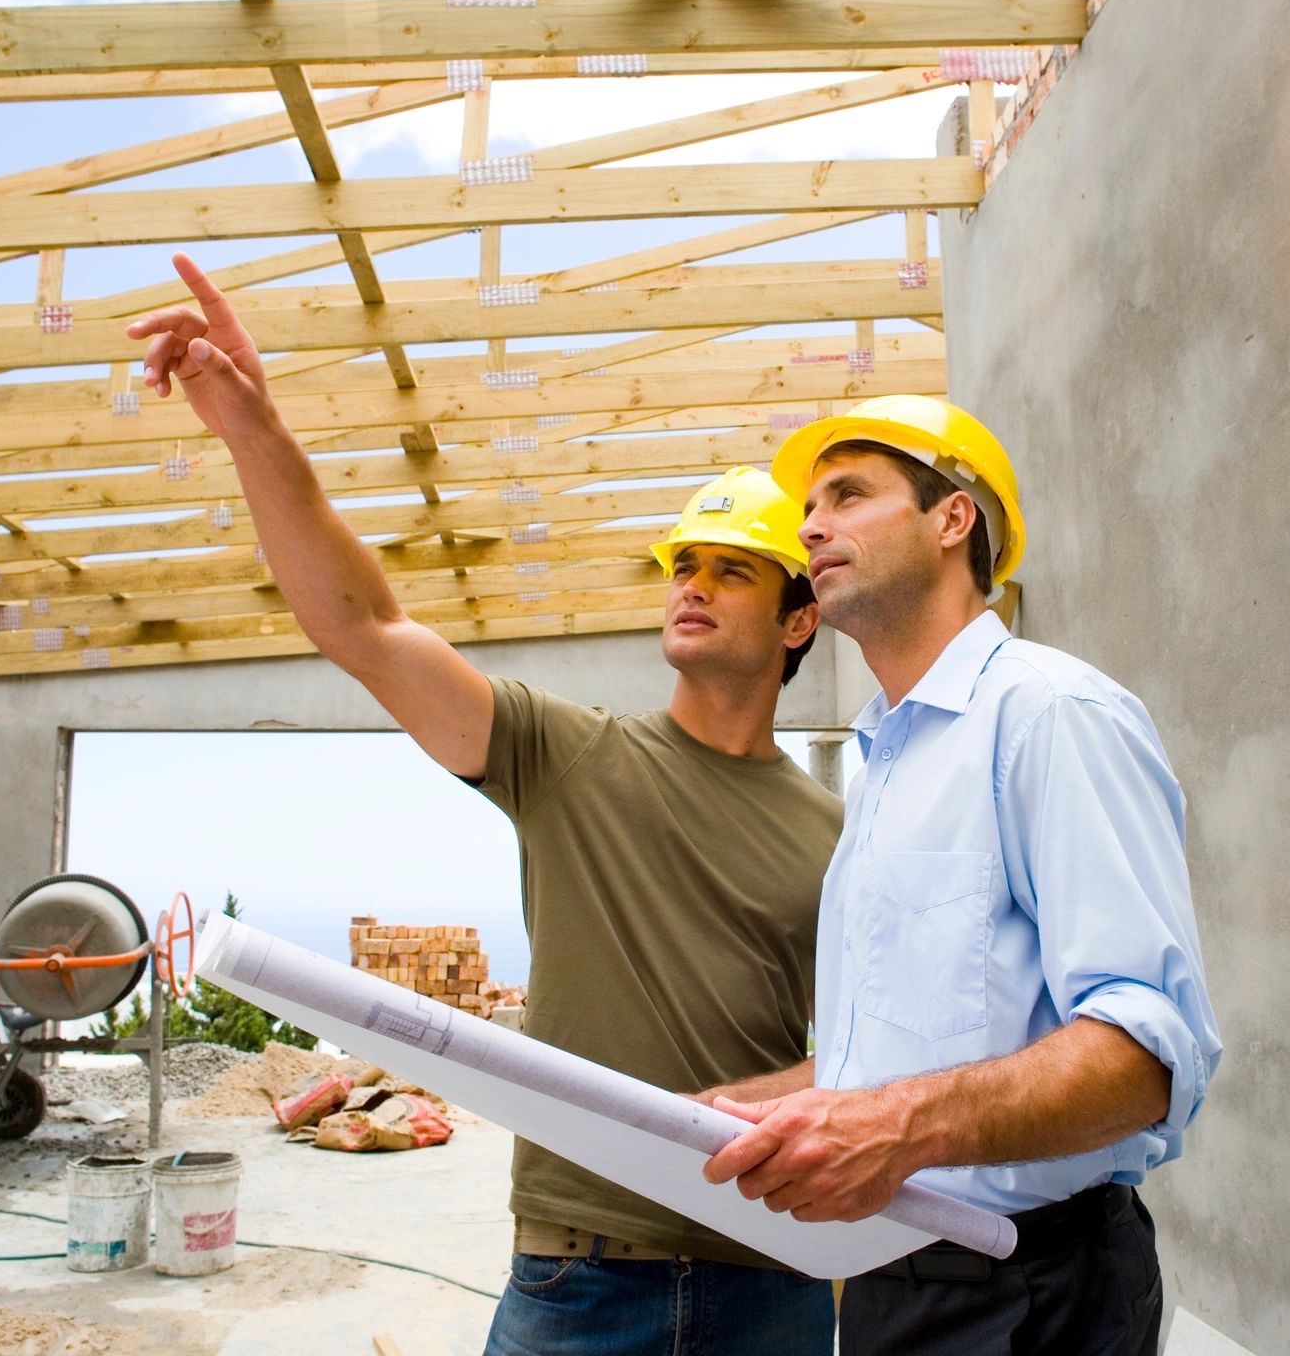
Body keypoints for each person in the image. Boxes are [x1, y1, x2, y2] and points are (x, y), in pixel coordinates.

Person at [129, 254, 843, 1355]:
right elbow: (365, 627)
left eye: (733, 570)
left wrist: (796, 1093)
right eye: (682, 563)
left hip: (774, 1280)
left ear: (798, 621)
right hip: (580, 1280)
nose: (690, 583)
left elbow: (880, 1047)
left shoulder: (838, 834)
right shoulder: (567, 755)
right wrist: (252, 430)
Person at [698, 395, 1221, 1355]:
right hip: (899, 1288)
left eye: (849, 494)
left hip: (1030, 1298)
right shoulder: (890, 758)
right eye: (810, 506)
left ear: (953, 519)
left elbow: (1146, 1054)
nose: (811, 525)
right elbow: (920, 1052)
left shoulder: (1049, 715)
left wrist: (893, 1128)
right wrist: (750, 1110)